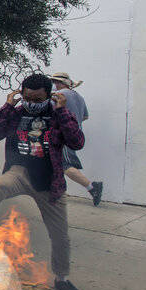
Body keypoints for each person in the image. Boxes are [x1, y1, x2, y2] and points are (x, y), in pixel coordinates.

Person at [0, 73, 88, 290]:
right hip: (20, 171)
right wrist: (8, 106)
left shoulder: (57, 114)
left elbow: (77, 142)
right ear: (21, 95)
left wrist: (62, 111)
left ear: (49, 95)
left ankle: (62, 279)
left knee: (60, 235)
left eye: (37, 98)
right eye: (27, 97)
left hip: (49, 180)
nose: (32, 102)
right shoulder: (17, 112)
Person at [50, 72, 103, 206]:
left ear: (60, 83)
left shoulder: (59, 95)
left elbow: (49, 111)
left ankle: (92, 188)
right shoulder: (79, 97)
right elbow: (85, 116)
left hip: (63, 135)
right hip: (75, 134)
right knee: (57, 164)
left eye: (54, 82)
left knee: (65, 165)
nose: (53, 85)